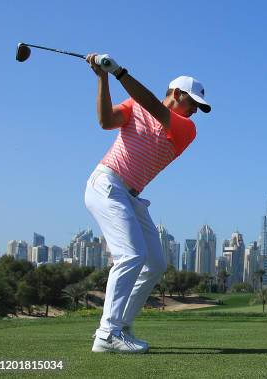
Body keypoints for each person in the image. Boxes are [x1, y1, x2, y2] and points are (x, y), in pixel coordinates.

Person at [84, 53, 211, 353]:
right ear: (177, 94)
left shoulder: (186, 129)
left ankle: (121, 325)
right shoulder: (134, 105)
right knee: (131, 256)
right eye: (192, 103)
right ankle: (107, 333)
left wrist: (118, 72)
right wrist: (103, 78)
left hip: (131, 196)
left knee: (154, 263)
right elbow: (105, 121)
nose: (195, 111)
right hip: (107, 184)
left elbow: (154, 106)